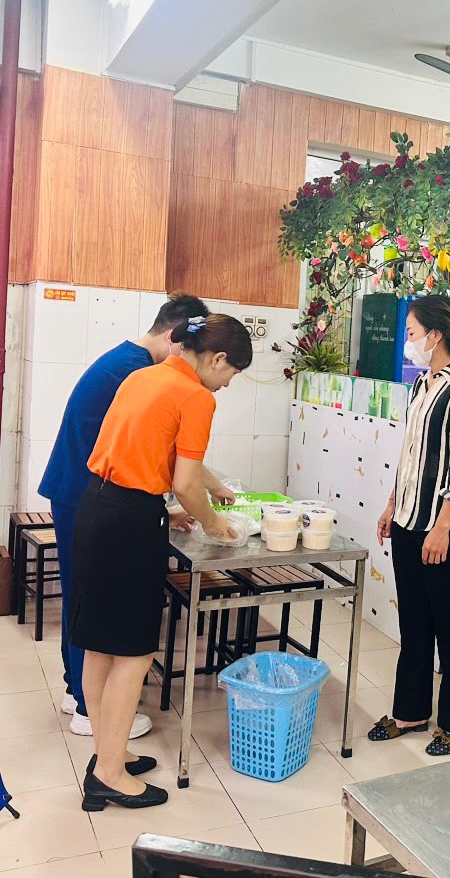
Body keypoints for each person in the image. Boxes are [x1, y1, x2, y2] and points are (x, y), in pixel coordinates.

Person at [70, 314, 251, 811]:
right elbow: (185, 483)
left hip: (98, 509)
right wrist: (215, 524)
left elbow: (147, 454)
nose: (227, 384)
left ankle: (108, 754)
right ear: (216, 359)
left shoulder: (143, 377)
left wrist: (174, 506)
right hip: (128, 526)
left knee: (100, 648)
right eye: (231, 374)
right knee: (133, 654)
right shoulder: (197, 396)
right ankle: (109, 775)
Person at [37, 292, 233, 739]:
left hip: (87, 492)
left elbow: (152, 448)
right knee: (95, 608)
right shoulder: (141, 372)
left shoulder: (129, 363)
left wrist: (193, 493)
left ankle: (76, 690)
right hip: (89, 492)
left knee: (83, 599)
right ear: (176, 337)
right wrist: (206, 511)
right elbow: (165, 458)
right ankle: (88, 709)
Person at [371, 295, 450, 756]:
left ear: (436, 335)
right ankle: (411, 711)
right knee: (414, 619)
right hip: (408, 518)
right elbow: (412, 454)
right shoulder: (422, 385)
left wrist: (444, 525)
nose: (408, 341)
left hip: (441, 525)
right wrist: (391, 504)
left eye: (413, 333)